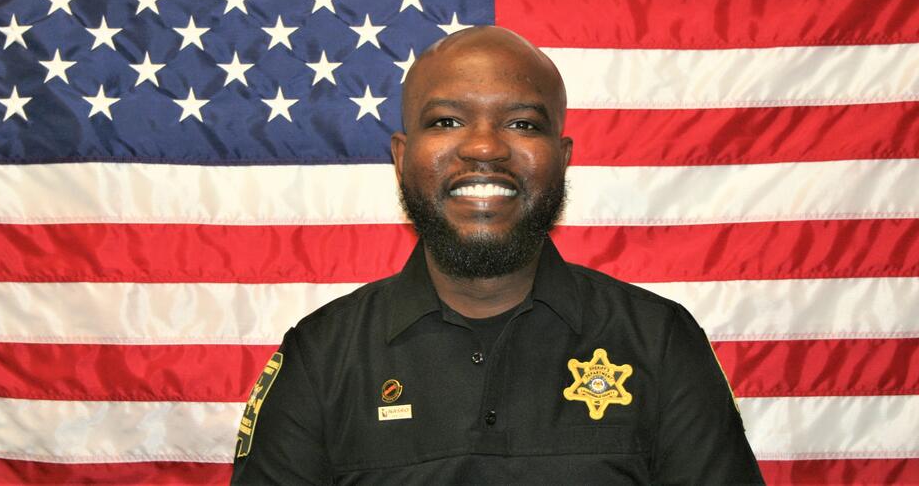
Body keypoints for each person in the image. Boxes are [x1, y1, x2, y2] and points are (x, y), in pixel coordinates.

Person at [231, 26, 764, 484]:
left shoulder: (658, 342)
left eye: (523, 124)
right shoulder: (323, 356)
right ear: (401, 156)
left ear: (562, 157)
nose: (484, 148)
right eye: (445, 121)